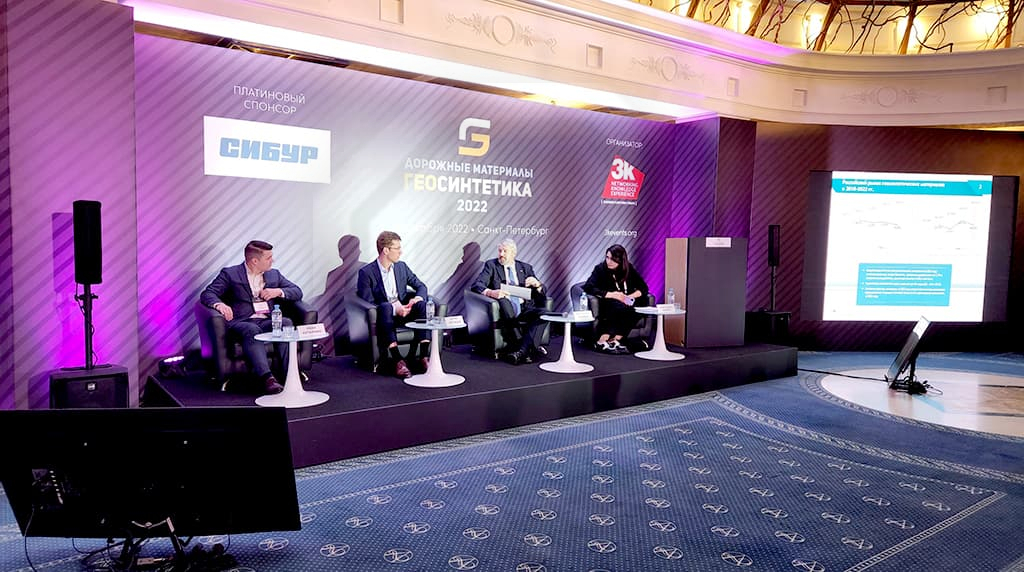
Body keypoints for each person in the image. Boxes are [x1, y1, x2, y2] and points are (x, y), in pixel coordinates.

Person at [200, 240, 303, 394]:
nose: (273, 260)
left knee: (285, 323)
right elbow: (208, 293)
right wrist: (219, 305)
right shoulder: (230, 274)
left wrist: (278, 291)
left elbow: (297, 291)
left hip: (267, 319)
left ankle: (289, 374)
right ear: (255, 261)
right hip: (242, 321)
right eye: (268, 258)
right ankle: (267, 378)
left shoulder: (274, 274)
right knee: (252, 329)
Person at [356, 231, 431, 379]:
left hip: (405, 312)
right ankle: (398, 361)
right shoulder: (366, 272)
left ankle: (424, 357)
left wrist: (416, 299)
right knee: (385, 307)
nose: (400, 252)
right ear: (386, 250)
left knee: (422, 304)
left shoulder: (401, 267)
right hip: (385, 316)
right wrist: (395, 308)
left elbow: (421, 286)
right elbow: (368, 300)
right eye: (397, 248)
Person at [471, 238, 548, 365]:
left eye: (504, 251)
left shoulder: (525, 268)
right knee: (503, 300)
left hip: (524, 308)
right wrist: (491, 292)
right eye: (499, 251)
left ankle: (521, 351)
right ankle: (524, 348)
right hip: (505, 310)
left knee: (544, 313)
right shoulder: (492, 265)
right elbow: (477, 285)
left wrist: (538, 285)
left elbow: (542, 291)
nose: (501, 254)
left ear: (513, 253)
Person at [583, 244, 649, 354]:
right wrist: (613, 295)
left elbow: (643, 287)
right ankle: (603, 339)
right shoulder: (600, 269)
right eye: (607, 257)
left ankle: (615, 339)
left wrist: (629, 297)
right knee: (619, 308)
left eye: (613, 259)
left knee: (637, 308)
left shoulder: (628, 268)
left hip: (626, 302)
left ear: (620, 260)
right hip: (609, 302)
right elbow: (588, 287)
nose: (609, 261)